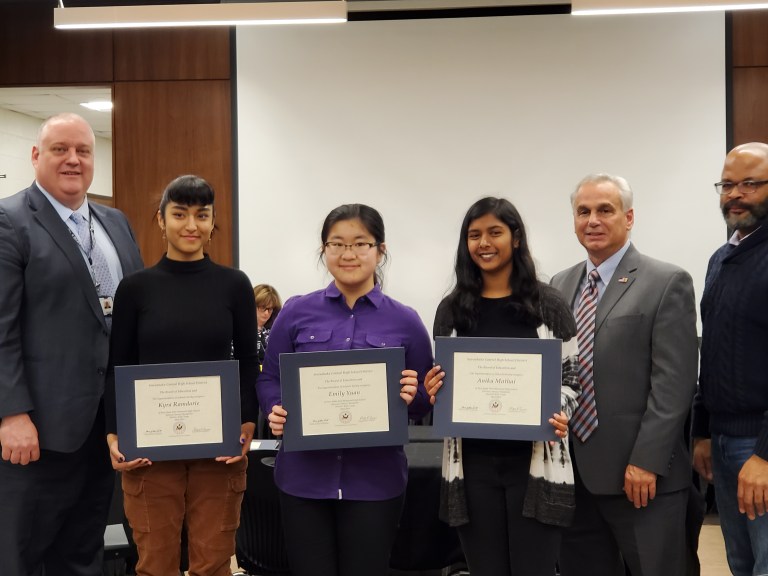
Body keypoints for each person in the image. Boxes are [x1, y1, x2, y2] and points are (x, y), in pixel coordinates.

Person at [0, 113, 143, 576]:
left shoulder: (116, 223)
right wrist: (11, 412)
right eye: (60, 149)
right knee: (21, 556)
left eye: (82, 150)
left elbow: (131, 323)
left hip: (103, 428)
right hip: (36, 432)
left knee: (84, 554)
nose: (73, 160)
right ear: (36, 155)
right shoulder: (10, 221)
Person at [258, 203, 433, 576]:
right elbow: (270, 377)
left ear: (380, 250)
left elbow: (421, 403)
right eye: (336, 244)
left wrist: (412, 395)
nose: (348, 254)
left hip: (375, 481)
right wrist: (275, 407)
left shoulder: (406, 321)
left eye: (360, 244)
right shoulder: (295, 312)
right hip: (304, 479)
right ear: (324, 250)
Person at [105, 175, 258, 576]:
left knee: (212, 562)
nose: (191, 225)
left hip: (218, 450)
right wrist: (114, 432)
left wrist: (246, 423)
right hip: (150, 452)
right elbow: (118, 365)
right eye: (180, 214)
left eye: (202, 215)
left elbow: (247, 358)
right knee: (155, 562)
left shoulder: (234, 285)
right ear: (161, 220)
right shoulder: (135, 288)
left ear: (212, 222)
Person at [551, 173, 699, 576]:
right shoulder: (559, 285)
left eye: (605, 210)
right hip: (572, 476)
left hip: (640, 478)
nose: (592, 220)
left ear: (629, 217)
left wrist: (647, 461)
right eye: (583, 212)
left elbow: (674, 384)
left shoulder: (666, 281)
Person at [423, 197, 579, 576]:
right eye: (474, 235)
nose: (484, 243)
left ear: (517, 238)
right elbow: (443, 383)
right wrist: (435, 388)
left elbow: (572, 378)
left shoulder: (549, 304)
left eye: (495, 232)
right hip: (471, 468)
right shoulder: (451, 310)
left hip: (536, 468)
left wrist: (559, 410)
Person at [692, 142, 768, 576]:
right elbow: (715, 350)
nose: (735, 194)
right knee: (740, 563)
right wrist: (702, 431)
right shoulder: (721, 259)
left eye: (750, 184)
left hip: (759, 447)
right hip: (723, 443)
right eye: (727, 184)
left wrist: (765, 454)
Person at [253, 283, 283, 365]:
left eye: (270, 309)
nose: (266, 313)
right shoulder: (238, 332)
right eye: (263, 308)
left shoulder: (276, 332)